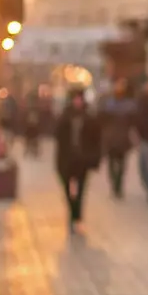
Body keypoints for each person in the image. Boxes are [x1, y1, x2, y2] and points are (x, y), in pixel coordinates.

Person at [54, 88, 101, 230]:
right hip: (66, 158)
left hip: (83, 159)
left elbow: (96, 139)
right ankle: (72, 209)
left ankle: (77, 213)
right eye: (75, 99)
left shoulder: (89, 117)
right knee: (67, 187)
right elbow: (58, 136)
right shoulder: (64, 116)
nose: (78, 102)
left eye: (80, 99)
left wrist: (94, 157)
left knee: (81, 188)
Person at [101, 80, 137, 199]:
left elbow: (102, 122)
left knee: (114, 164)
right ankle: (117, 185)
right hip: (120, 138)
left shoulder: (109, 105)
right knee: (119, 164)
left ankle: (116, 184)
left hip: (114, 139)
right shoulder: (129, 106)